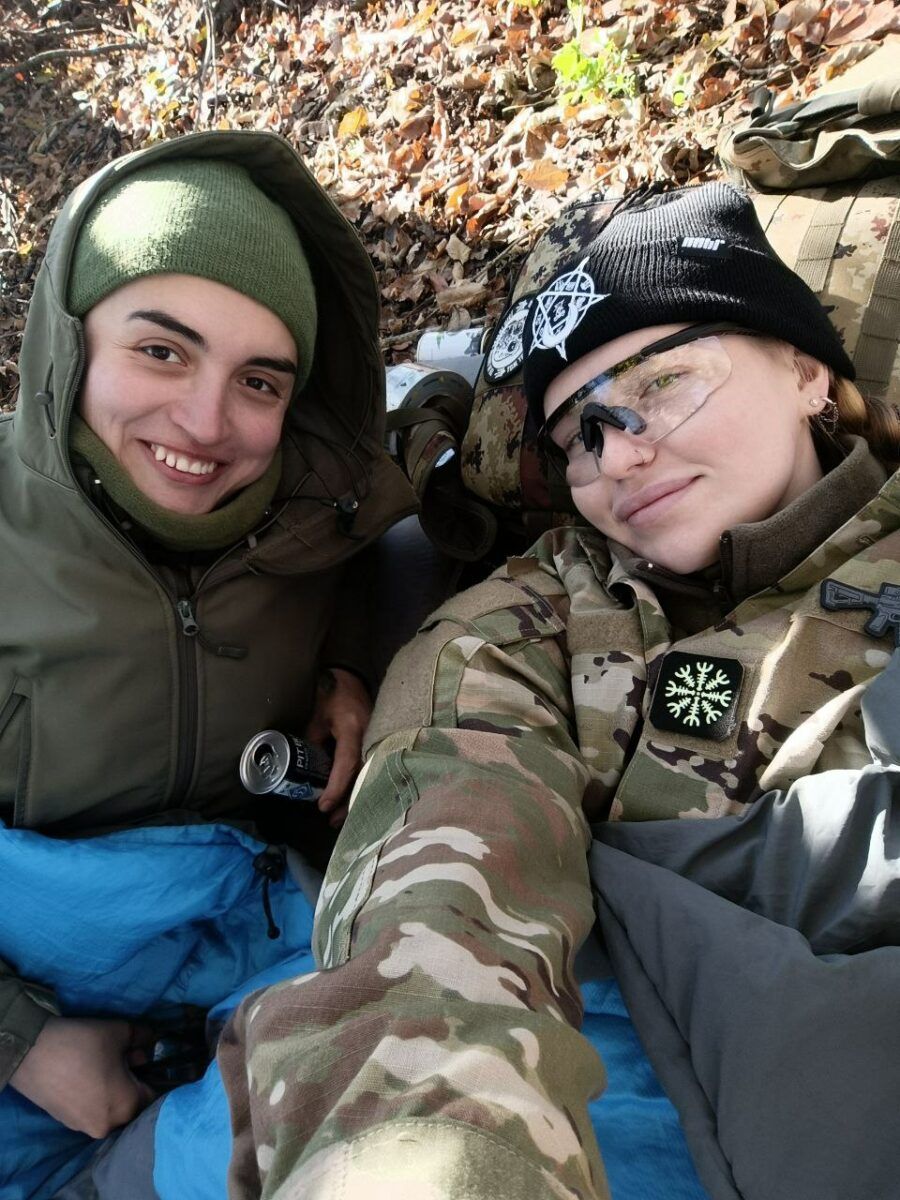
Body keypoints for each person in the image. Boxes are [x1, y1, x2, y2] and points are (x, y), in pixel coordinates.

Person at [219, 182, 900, 1200]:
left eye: (663, 380)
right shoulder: (525, 625)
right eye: (580, 432)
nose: (617, 453)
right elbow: (434, 904)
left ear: (806, 370)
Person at [0, 130, 416, 1198]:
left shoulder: (305, 525)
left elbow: (362, 560)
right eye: (162, 350)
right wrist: (26, 1045)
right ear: (70, 339)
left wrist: (347, 673)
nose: (205, 424)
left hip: (239, 967)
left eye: (260, 381)